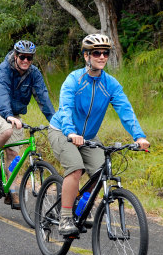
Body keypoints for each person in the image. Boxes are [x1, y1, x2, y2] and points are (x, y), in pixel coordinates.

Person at [48, 34, 150, 235]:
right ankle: (65, 217)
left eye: (105, 53)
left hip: (88, 137)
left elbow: (125, 111)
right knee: (76, 168)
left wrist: (139, 136)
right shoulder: (74, 80)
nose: (102, 57)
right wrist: (70, 132)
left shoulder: (110, 84)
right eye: (96, 53)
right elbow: (66, 108)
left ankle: (81, 206)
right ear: (86, 56)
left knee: (99, 172)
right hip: (62, 131)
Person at [0, 40, 55, 207]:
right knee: (6, 130)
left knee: (14, 155)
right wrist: (8, 115)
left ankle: (11, 191)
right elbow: (1, 94)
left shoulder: (34, 74)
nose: (26, 61)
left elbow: (43, 98)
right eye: (22, 57)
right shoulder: (4, 69)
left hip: (13, 114)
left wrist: (55, 122)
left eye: (29, 58)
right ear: (15, 56)